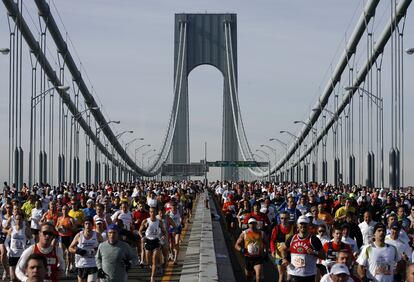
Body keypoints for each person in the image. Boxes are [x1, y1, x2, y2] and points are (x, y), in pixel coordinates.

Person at [281, 215, 325, 282]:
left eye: (305, 224)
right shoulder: (292, 238)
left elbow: (324, 256)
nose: (303, 226)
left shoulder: (314, 239)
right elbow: (283, 249)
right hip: (294, 274)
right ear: (297, 226)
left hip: (308, 275)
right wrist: (284, 259)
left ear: (308, 225)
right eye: (301, 224)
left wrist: (314, 253)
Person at [69, 217, 103, 282]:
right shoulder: (79, 235)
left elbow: (104, 247)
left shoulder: (97, 235)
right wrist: (78, 251)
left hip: (93, 263)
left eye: (89, 224)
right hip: (81, 264)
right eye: (86, 223)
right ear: (84, 225)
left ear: (92, 225)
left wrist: (97, 250)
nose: (88, 225)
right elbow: (70, 248)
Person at [235, 218, 269, 282]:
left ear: (256, 224)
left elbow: (267, 243)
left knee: (258, 276)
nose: (252, 225)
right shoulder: (244, 233)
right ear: (248, 224)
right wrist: (242, 249)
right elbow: (236, 245)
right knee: (248, 277)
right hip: (248, 258)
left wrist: (266, 252)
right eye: (251, 223)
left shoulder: (261, 233)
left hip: (258, 257)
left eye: (254, 223)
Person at [139, 207, 168, 281]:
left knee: (154, 260)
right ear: (149, 212)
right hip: (148, 241)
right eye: (151, 212)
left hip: (156, 241)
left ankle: (152, 277)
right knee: (148, 261)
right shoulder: (145, 221)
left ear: (156, 213)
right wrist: (142, 236)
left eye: (154, 212)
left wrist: (163, 237)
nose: (152, 213)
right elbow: (140, 231)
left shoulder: (159, 222)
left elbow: (164, 232)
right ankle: (156, 266)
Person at [5, 212, 31, 281]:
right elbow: (6, 242)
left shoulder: (26, 229)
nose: (18, 221)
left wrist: (28, 249)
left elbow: (32, 242)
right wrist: (8, 250)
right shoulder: (11, 229)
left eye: (20, 219)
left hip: (22, 256)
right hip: (12, 255)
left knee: (21, 278)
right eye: (17, 219)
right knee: (13, 278)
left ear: (23, 220)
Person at [270, 210, 294, 282]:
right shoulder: (276, 228)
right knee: (281, 275)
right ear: (279, 219)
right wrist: (273, 250)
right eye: (282, 218)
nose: (283, 220)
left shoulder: (294, 228)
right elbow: (272, 241)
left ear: (289, 218)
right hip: (279, 255)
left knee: (289, 277)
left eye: (285, 218)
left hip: (290, 255)